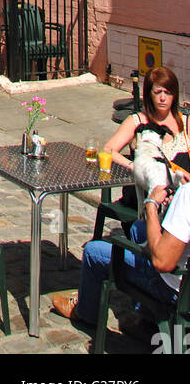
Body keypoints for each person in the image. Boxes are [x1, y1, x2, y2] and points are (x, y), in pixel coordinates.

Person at [52, 66, 190, 325]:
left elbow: (163, 262)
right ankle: (142, 310)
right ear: (149, 94)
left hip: (170, 224)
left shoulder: (185, 123)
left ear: (175, 95)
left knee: (94, 251)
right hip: (156, 199)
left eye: (167, 93)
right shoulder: (138, 121)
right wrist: (135, 167)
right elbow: (110, 150)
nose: (162, 98)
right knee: (138, 230)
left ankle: (87, 311)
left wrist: (152, 205)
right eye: (157, 92)